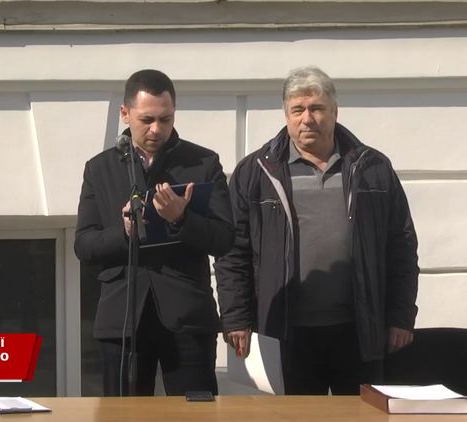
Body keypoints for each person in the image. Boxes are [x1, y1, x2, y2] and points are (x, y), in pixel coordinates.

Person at [216, 66, 419, 395]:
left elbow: (401, 247)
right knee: (296, 416)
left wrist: (401, 316)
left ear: (335, 111)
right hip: (285, 332)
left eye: (317, 108)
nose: (307, 119)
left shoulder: (373, 168)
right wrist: (236, 317)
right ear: (286, 115)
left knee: (360, 415)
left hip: (359, 330)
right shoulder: (255, 172)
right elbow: (233, 251)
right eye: (298, 110)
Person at [74, 69, 234, 396]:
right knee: (123, 416)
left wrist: (181, 219)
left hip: (187, 315)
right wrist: (124, 232)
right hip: (123, 318)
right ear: (125, 113)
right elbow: (84, 245)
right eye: (147, 120)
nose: (156, 129)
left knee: (195, 414)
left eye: (166, 119)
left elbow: (224, 238)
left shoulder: (202, 162)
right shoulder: (100, 168)